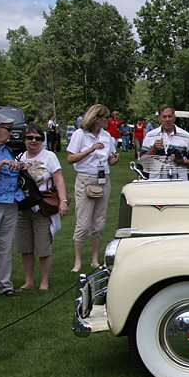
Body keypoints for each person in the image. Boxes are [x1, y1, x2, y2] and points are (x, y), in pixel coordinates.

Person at [67, 104, 120, 272]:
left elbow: (109, 160)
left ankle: (95, 259)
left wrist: (114, 159)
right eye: (106, 118)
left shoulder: (107, 136)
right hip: (85, 180)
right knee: (83, 224)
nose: (108, 120)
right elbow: (70, 159)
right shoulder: (80, 135)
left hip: (103, 180)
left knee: (99, 223)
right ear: (96, 118)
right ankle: (77, 261)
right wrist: (91, 149)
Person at [16, 123, 68, 291]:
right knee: (25, 247)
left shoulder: (49, 156)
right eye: (30, 138)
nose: (33, 141)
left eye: (37, 138)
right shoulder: (19, 158)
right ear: (24, 140)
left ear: (42, 140)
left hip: (43, 206)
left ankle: (44, 281)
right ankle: (28, 281)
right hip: (23, 207)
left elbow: (58, 179)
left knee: (43, 247)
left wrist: (63, 201)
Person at [0, 112, 25, 298]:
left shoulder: (5, 149)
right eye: (8, 129)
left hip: (10, 202)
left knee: (4, 246)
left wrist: (19, 166)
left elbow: (11, 168)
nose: (11, 133)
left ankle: (4, 286)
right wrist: (3, 163)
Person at [140, 105, 189, 180]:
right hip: (156, 182)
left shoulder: (185, 136)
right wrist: (153, 149)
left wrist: (182, 161)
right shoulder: (150, 136)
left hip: (179, 182)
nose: (167, 119)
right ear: (159, 119)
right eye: (164, 117)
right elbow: (142, 160)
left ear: (174, 118)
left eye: (170, 116)